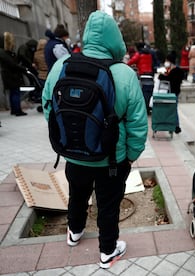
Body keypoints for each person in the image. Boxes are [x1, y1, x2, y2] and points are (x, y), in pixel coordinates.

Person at [42, 11, 148, 269]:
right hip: (112, 158)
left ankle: (74, 232)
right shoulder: (124, 73)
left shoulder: (62, 65)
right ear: (115, 40)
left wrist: (67, 139)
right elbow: (137, 123)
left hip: (74, 153)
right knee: (108, 204)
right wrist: (131, 154)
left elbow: (48, 107)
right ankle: (108, 251)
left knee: (77, 194)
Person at [0, 32, 27, 116]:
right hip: (11, 75)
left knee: (13, 93)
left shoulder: (4, 52)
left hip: (9, 75)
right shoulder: (4, 52)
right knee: (15, 92)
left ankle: (14, 110)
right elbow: (12, 64)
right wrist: (23, 69)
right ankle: (17, 110)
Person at [158, 53, 185, 133]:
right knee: (173, 108)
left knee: (173, 109)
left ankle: (176, 126)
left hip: (173, 92)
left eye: (167, 60)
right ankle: (174, 125)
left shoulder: (174, 71)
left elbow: (169, 79)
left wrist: (161, 76)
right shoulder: (176, 70)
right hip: (175, 91)